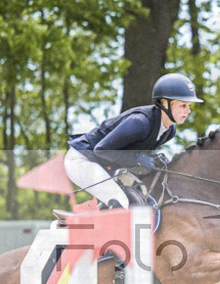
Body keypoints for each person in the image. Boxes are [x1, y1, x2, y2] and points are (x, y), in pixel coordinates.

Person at [64, 72, 202, 209]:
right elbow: (101, 150)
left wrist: (154, 158)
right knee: (121, 203)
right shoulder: (140, 122)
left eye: (189, 106)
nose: (188, 111)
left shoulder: (169, 131)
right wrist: (137, 159)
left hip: (105, 165)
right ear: (165, 103)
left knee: (142, 194)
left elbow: (135, 149)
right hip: (82, 160)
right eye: (183, 105)